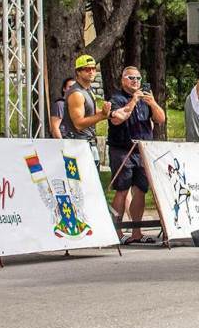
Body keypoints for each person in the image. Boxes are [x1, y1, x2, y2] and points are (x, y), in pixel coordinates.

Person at [107, 66, 166, 244]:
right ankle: (116, 233)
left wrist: (152, 103)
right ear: (123, 80)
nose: (136, 82)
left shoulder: (145, 99)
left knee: (140, 189)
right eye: (131, 78)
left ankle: (136, 232)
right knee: (122, 189)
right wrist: (133, 100)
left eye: (138, 79)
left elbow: (160, 119)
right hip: (122, 148)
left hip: (141, 150)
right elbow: (118, 119)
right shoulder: (116, 98)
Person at [60, 54, 112, 160]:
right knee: (83, 176)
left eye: (93, 68)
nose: (92, 72)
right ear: (78, 72)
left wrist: (111, 113)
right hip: (77, 144)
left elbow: (92, 111)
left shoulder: (88, 89)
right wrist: (102, 115)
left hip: (88, 142)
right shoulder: (77, 93)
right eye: (87, 69)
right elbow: (79, 124)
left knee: (94, 176)